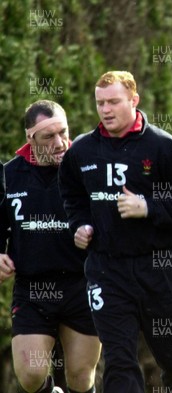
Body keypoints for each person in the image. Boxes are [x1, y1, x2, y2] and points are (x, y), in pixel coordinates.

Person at [58, 71, 172, 393]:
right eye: (100, 103)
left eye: (113, 102)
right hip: (107, 270)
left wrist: (149, 207)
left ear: (133, 100)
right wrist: (79, 225)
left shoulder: (163, 147)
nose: (105, 110)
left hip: (159, 267)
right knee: (119, 359)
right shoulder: (81, 150)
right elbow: (72, 196)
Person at [0, 100, 101, 393]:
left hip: (81, 284)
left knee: (81, 377)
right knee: (30, 375)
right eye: (49, 136)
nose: (59, 143)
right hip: (32, 289)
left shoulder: (85, 169)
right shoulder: (9, 176)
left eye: (63, 132)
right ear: (30, 139)